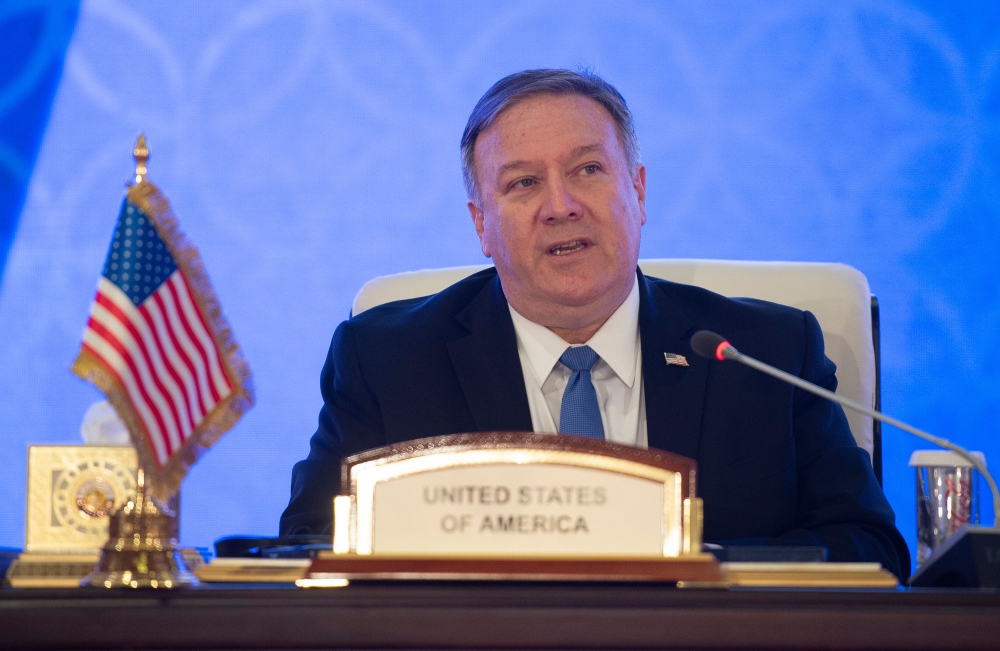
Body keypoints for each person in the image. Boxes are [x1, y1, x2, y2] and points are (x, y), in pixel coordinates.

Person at [280, 69, 910, 579]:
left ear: (637, 191)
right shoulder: (388, 359)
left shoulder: (766, 354)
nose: (561, 206)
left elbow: (872, 547)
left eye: (588, 170)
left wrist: (700, 570)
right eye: (524, 182)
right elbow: (308, 548)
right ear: (481, 225)